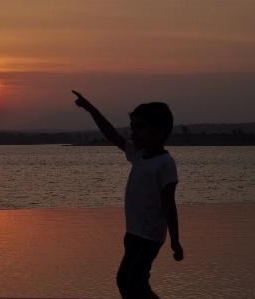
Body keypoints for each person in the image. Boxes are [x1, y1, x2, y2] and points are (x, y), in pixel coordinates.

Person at [73, 90, 184, 299]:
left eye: (140, 128)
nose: (134, 133)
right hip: (133, 233)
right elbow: (112, 134)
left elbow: (169, 204)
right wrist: (91, 109)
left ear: (159, 132)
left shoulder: (165, 164)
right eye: (132, 127)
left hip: (148, 236)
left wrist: (175, 241)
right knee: (132, 282)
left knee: (129, 280)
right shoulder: (139, 154)